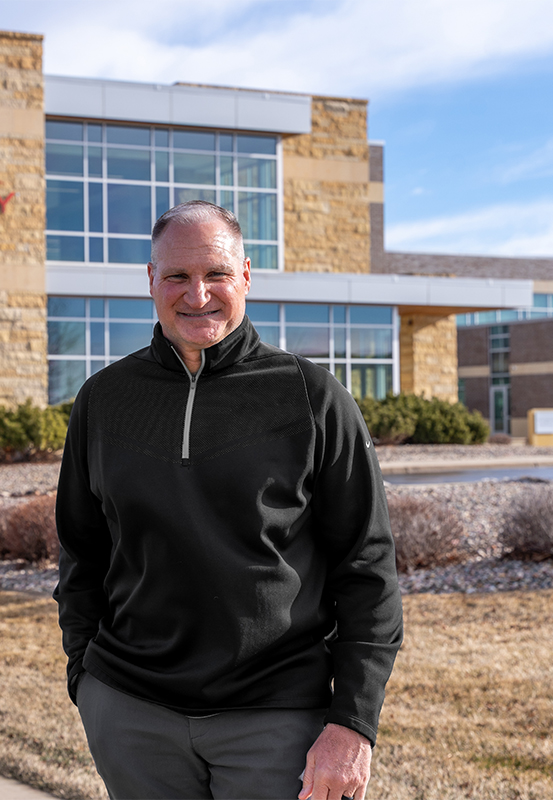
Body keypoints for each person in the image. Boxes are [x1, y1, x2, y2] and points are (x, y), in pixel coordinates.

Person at [54, 200, 403, 800]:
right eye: (178, 277)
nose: (198, 295)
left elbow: (367, 569)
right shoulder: (103, 400)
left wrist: (352, 722)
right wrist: (86, 681)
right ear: (151, 280)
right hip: (132, 714)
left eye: (215, 274)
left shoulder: (312, 398)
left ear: (244, 275)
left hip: (277, 717)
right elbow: (81, 551)